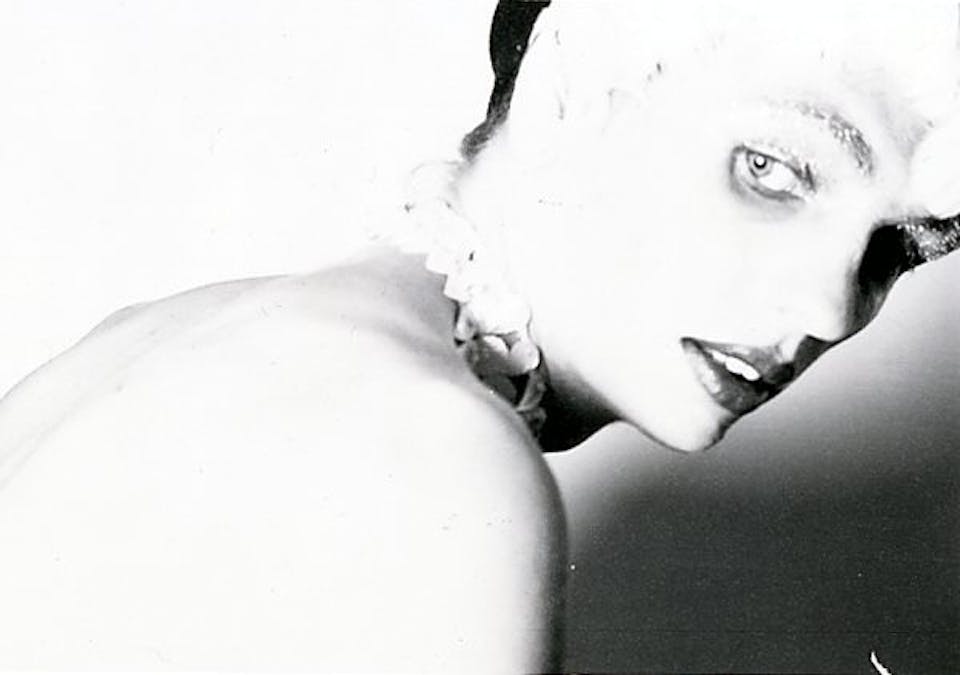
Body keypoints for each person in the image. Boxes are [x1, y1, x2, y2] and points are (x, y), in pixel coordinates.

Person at [0, 0, 958, 670]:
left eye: (901, 248)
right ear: (562, 82)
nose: (833, 308)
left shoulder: (161, 338)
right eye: (772, 170)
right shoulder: (434, 453)